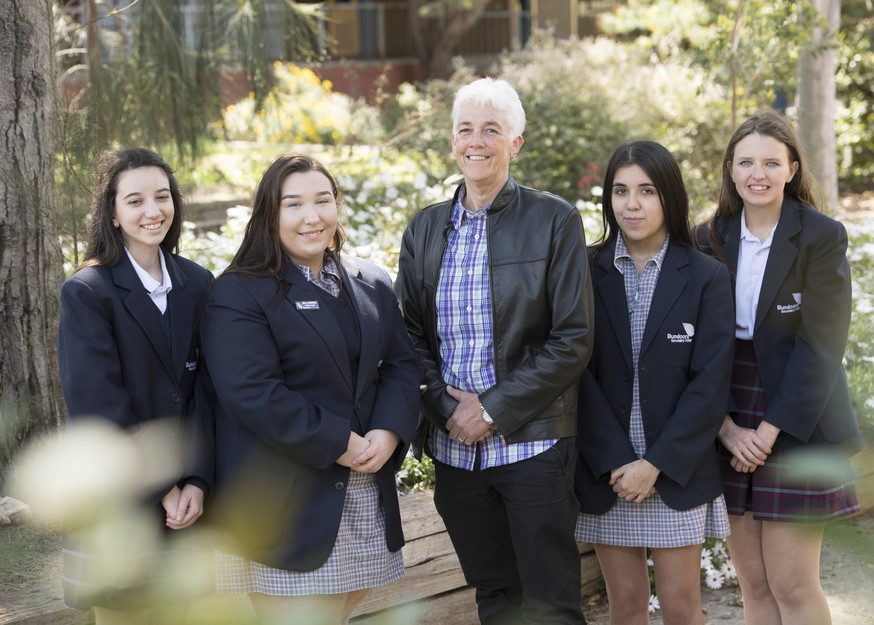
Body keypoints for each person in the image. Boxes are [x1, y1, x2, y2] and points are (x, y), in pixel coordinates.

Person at [395, 77, 594, 625]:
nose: (476, 141)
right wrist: (443, 406)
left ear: (516, 143)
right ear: (453, 141)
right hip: (456, 452)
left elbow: (572, 339)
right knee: (494, 596)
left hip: (531, 447)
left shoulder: (554, 221)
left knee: (550, 603)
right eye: (466, 130)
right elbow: (406, 334)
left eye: (492, 130)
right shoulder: (426, 228)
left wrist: (490, 410)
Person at [201, 153, 422, 625]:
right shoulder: (238, 292)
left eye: (323, 200)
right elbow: (252, 392)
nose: (311, 216)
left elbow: (403, 366)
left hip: (363, 484)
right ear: (269, 214)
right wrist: (338, 442)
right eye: (293, 204)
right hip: (286, 502)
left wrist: (389, 431)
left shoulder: (372, 281)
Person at [696, 109, 863, 625]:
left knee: (791, 584)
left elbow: (822, 347)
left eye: (771, 162)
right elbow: (692, 347)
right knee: (755, 585)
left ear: (792, 168)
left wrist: (768, 431)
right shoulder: (707, 238)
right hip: (728, 402)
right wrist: (725, 428)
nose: (757, 174)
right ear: (730, 169)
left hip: (798, 413)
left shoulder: (821, 236)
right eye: (745, 162)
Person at [574, 141, 735, 625]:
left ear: (669, 196)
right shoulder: (584, 269)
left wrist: (656, 464)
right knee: (625, 605)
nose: (632, 204)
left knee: (682, 607)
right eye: (620, 191)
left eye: (646, 191)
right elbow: (574, 372)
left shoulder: (707, 275)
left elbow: (710, 383)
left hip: (676, 466)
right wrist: (619, 461)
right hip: (609, 469)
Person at [57, 148, 214, 625]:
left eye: (162, 197)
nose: (153, 211)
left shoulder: (199, 283)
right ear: (112, 212)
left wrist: (199, 480)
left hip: (188, 499)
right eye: (136, 200)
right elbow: (96, 403)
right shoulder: (87, 292)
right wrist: (162, 486)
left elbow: (209, 392)